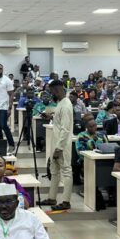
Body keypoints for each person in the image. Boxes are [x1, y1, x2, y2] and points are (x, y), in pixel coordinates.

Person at [43, 79, 73, 211]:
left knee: (66, 171)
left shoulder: (66, 105)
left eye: (52, 92)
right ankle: (52, 197)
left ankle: (66, 201)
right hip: (56, 142)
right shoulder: (61, 103)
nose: (51, 94)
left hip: (62, 145)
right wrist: (51, 117)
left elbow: (65, 129)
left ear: (56, 90)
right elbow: (60, 122)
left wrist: (59, 148)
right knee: (54, 171)